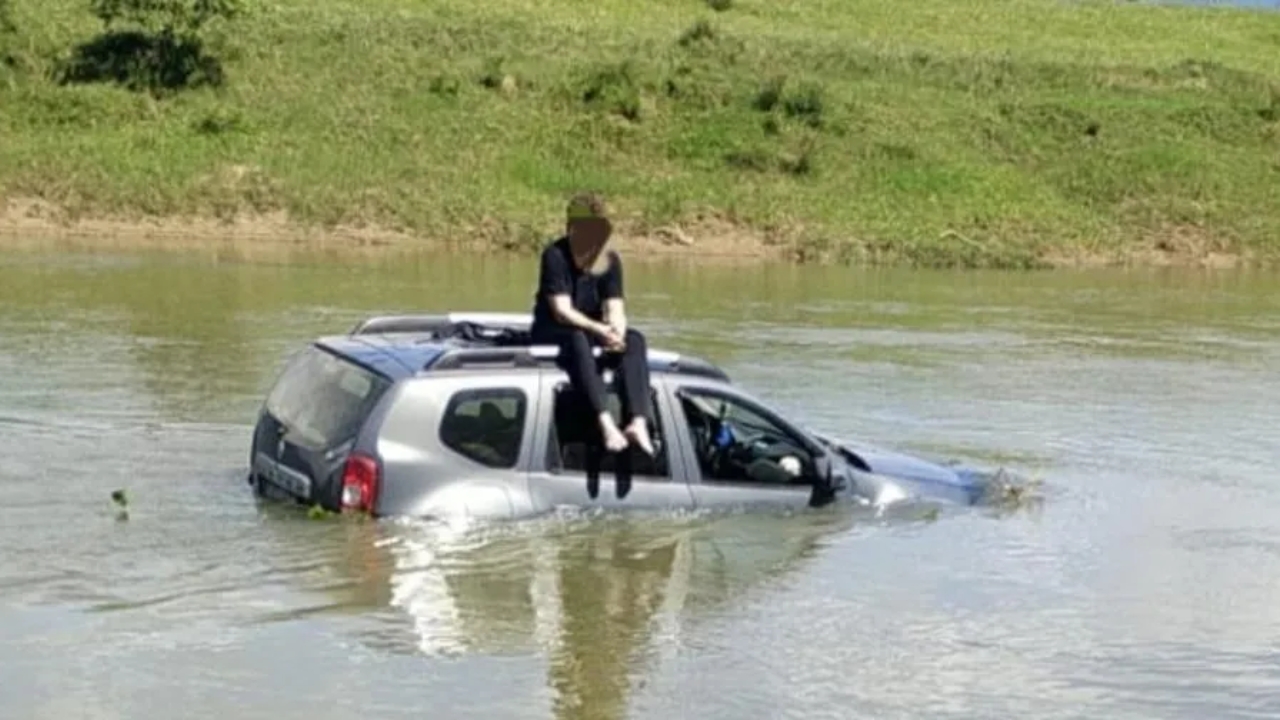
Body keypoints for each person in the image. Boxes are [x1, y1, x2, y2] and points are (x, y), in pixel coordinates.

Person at [529, 192, 654, 456]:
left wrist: (616, 331)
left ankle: (638, 422)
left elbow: (615, 307)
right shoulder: (555, 256)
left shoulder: (609, 261)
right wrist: (599, 329)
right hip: (553, 331)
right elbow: (562, 311)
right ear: (571, 228)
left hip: (592, 333)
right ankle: (606, 423)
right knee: (576, 337)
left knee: (635, 340)